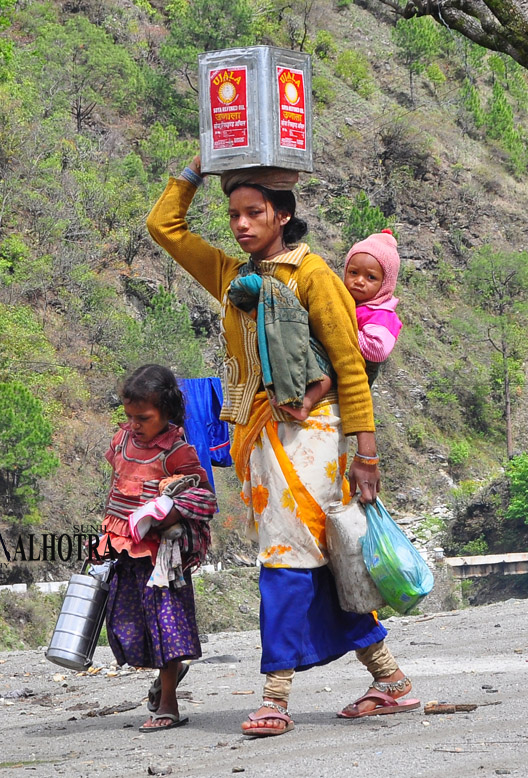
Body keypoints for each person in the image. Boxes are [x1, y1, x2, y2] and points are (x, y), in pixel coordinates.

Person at [146, 157, 419, 737]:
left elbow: (348, 363)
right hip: (262, 441)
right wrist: (196, 169)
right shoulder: (231, 276)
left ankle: (275, 696)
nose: (241, 224)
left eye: (254, 213)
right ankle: (390, 681)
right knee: (315, 563)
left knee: (285, 562)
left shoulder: (312, 274)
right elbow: (164, 228)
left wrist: (365, 451)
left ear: (283, 214)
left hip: (315, 437)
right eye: (234, 215)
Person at [97, 364, 216, 732]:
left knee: (167, 627)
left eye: (144, 418)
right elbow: (118, 485)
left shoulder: (177, 451)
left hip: (162, 559)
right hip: (123, 549)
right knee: (129, 626)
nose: (135, 424)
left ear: (166, 412)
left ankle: (168, 705)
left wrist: (166, 509)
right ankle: (170, 674)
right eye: (129, 416)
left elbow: (204, 498)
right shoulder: (122, 440)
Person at [343, 229, 403, 385]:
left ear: (385, 283)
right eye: (353, 272)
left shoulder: (381, 315)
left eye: (371, 277)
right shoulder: (350, 302)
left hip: (355, 383)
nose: (359, 281)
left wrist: (340, 329)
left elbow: (378, 350)